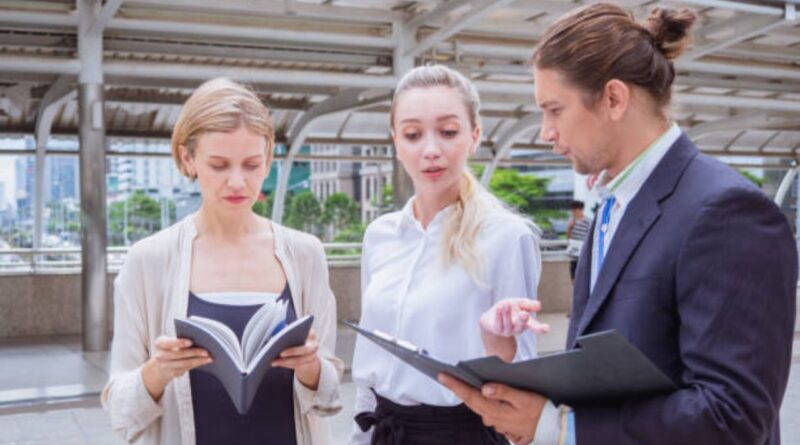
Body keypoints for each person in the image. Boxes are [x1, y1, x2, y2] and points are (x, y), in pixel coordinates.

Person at [439, 4, 797, 445]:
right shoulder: (612, 206)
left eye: (554, 110)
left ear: (613, 98)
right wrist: (507, 363)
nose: (545, 132)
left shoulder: (728, 212)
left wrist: (560, 427)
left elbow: (733, 417)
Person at [101, 78, 343, 445]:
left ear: (268, 162)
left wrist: (312, 368)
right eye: (219, 165)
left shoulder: (304, 254)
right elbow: (120, 409)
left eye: (251, 165)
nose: (237, 182)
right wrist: (157, 371)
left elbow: (328, 398)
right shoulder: (148, 261)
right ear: (188, 159)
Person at [350, 64, 549, 445]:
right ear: (395, 140)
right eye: (412, 134)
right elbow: (370, 358)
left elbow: (521, 375)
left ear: (474, 136)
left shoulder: (507, 237)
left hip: (461, 433)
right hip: (385, 431)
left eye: (448, 132)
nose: (430, 150)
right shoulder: (380, 236)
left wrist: (498, 342)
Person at [565, 200, 591, 282]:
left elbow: (590, 236)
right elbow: (568, 236)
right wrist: (570, 227)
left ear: (580, 210)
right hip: (574, 252)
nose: (573, 213)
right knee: (573, 276)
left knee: (584, 275)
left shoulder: (588, 221)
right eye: (572, 211)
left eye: (575, 210)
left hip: (583, 251)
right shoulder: (571, 221)